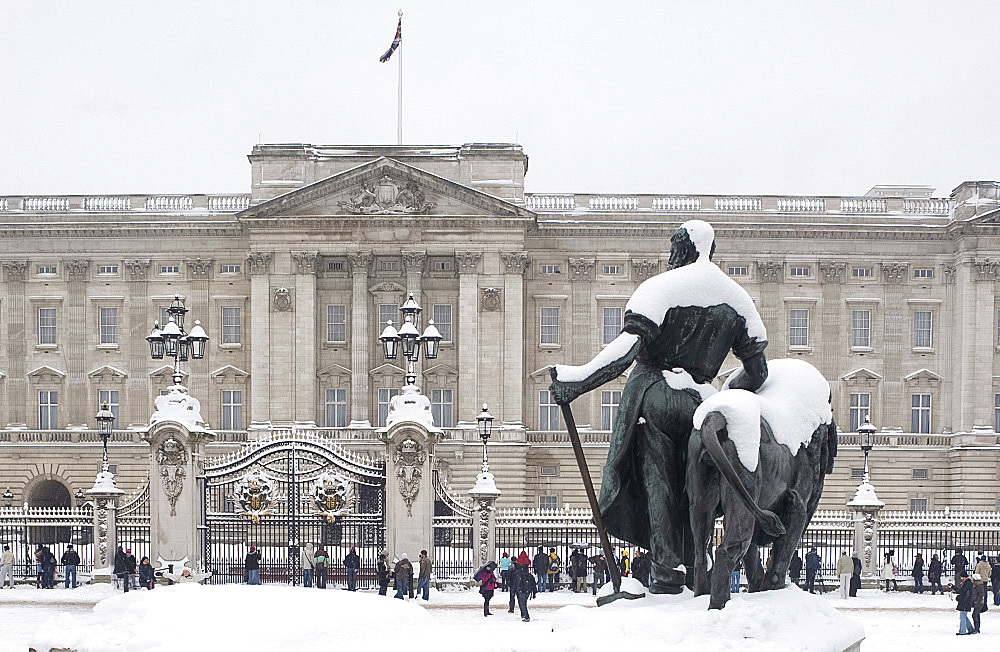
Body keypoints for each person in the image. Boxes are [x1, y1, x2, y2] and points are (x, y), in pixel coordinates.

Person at [549, 220, 769, 595]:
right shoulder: (737, 300)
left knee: (659, 483)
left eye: (672, 251)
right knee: (694, 491)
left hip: (656, 392)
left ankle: (667, 572)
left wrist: (578, 382)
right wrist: (721, 392)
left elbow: (626, 353)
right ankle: (698, 567)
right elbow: (758, 372)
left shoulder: (661, 289)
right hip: (701, 401)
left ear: (682, 250)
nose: (670, 258)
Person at [509, 558, 537, 622]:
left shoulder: (519, 575)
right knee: (523, 603)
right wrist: (534, 592)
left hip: (520, 590)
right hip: (527, 591)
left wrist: (513, 592)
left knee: (522, 604)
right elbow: (534, 584)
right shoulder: (530, 575)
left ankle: (526, 616)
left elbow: (515, 584)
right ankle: (523, 615)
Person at [972, 555, 991, 632]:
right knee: (984, 592)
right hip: (986, 579)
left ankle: (980, 602)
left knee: (979, 592)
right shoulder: (988, 565)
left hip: (980, 580)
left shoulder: (979, 564)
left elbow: (977, 573)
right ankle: (984, 603)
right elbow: (990, 572)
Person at [954, 571, 975, 635]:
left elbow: (962, 591)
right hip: (965, 602)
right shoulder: (967, 583)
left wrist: (954, 588)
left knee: (962, 617)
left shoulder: (966, 583)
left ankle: (962, 631)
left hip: (965, 602)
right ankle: (970, 629)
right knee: (964, 616)